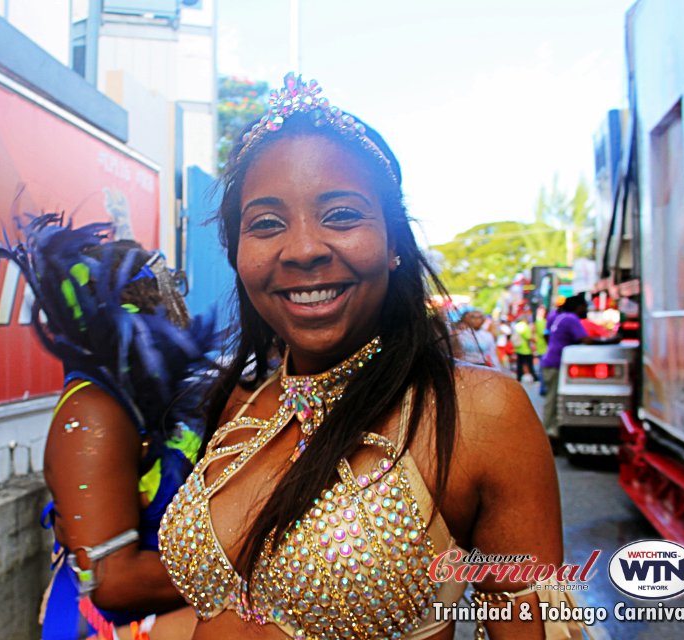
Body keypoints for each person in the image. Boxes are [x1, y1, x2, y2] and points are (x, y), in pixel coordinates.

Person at [157, 73, 584, 640]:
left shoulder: (478, 414)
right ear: (238, 253)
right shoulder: (240, 405)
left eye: (340, 215)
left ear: (393, 247)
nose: (304, 248)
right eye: (266, 224)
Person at [0, 215, 215, 639]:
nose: (178, 306)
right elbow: (114, 581)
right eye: (167, 290)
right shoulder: (93, 412)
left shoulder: (138, 401)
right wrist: (244, 568)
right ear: (143, 302)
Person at [540, 293, 593, 447]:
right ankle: (549, 434)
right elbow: (585, 339)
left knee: (551, 399)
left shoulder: (558, 317)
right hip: (556, 364)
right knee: (554, 399)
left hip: (550, 361)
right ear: (579, 307)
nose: (586, 309)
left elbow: (546, 336)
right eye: (584, 306)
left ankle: (550, 432)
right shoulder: (571, 318)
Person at [512, 310, 539, 383]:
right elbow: (528, 337)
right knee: (529, 364)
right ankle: (534, 377)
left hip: (518, 348)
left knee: (519, 364)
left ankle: (519, 377)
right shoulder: (525, 326)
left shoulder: (517, 325)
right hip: (526, 349)